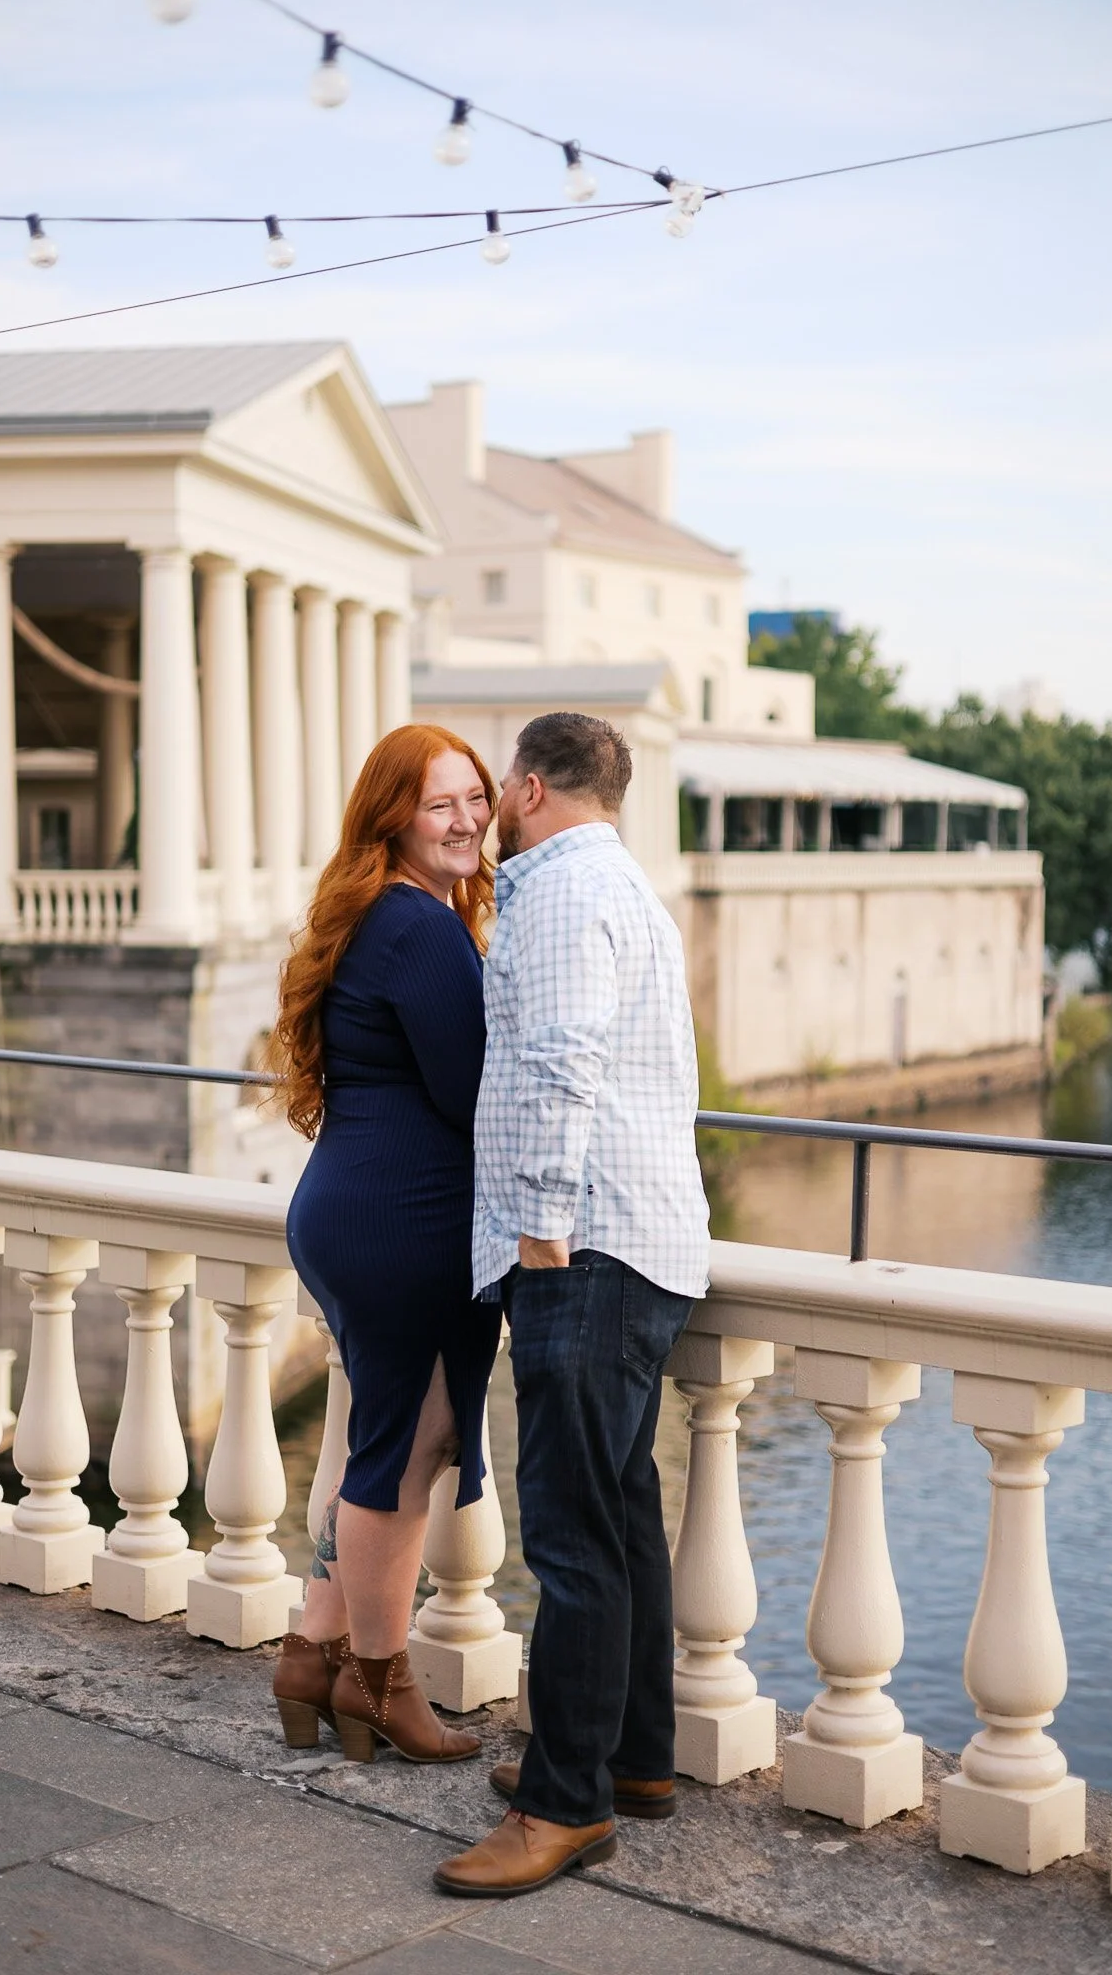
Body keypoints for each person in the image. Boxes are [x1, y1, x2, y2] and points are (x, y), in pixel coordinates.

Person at [434, 711, 711, 1899]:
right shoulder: (628, 888)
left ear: (530, 787)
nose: (494, 805)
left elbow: (559, 1059)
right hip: (641, 1242)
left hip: (583, 1246)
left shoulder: (554, 888)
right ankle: (630, 1758)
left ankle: (563, 1803)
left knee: (570, 1535)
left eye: (501, 784)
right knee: (621, 1512)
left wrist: (541, 1227)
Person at [268, 722, 503, 1766]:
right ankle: (381, 1681)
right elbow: (474, 1095)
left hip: (353, 1209)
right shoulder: (419, 927)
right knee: (404, 1457)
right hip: (406, 1222)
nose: (464, 819)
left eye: (475, 797)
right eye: (438, 803)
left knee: (386, 1444)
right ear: (393, 818)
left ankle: (310, 1655)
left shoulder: (379, 911)